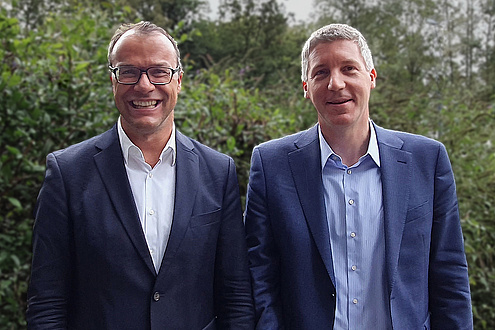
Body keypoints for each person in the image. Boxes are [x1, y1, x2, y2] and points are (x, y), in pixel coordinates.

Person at [26, 21, 254, 329]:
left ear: (179, 81)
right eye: (129, 72)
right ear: (113, 81)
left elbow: (236, 296)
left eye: (159, 71)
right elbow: (47, 300)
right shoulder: (68, 173)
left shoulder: (218, 171)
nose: (144, 85)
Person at [244, 23, 473, 329]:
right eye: (320, 72)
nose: (335, 83)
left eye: (349, 68)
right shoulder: (272, 164)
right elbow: (259, 276)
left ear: (371, 77)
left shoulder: (427, 160)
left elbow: (450, 274)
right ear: (306, 88)